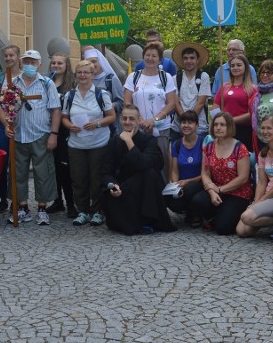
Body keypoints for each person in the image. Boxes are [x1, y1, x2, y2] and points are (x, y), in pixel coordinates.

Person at [2, 49, 61, 225]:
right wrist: (6, 125)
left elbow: (55, 110)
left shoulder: (47, 83)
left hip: (40, 134)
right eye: (26, 62)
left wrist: (54, 134)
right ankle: (22, 207)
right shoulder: (13, 83)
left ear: (39, 64)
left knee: (43, 172)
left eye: (32, 62)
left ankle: (42, 208)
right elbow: (3, 107)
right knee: (17, 173)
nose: (29, 65)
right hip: (19, 134)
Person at [99, 105, 176, 235]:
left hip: (147, 188)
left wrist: (129, 142)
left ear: (139, 120)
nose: (127, 122)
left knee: (149, 173)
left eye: (131, 119)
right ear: (120, 120)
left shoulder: (149, 140)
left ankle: (149, 221)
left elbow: (143, 164)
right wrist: (113, 185)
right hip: (124, 187)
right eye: (124, 118)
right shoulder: (114, 142)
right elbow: (106, 172)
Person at [62, 59, 116, 226]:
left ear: (93, 75)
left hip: (98, 143)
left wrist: (97, 123)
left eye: (86, 72)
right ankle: (83, 211)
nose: (83, 75)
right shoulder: (70, 95)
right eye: (80, 72)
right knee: (78, 179)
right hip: (76, 144)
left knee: (96, 178)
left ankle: (98, 211)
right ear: (76, 75)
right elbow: (64, 117)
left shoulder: (101, 94)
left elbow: (112, 116)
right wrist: (70, 125)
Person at [191, 112, 252, 235]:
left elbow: (243, 178)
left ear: (229, 127)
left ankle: (230, 215)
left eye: (222, 125)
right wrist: (212, 192)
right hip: (216, 188)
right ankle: (215, 216)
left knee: (223, 229)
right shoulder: (208, 147)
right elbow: (205, 173)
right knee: (198, 200)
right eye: (216, 125)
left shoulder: (240, 148)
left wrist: (220, 190)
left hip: (237, 193)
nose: (218, 128)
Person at [123, 43, 178, 175]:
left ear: (160, 59)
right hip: (137, 128)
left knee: (161, 163)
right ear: (143, 57)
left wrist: (154, 120)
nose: (150, 58)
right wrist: (140, 120)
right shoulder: (133, 77)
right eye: (147, 55)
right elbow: (126, 101)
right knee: (137, 163)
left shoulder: (166, 77)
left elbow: (171, 103)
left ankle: (162, 193)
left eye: (154, 56)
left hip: (161, 129)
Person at [0, 43, 22, 213]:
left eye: (12, 55)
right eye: (6, 56)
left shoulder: (24, 77)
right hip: (3, 125)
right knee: (2, 163)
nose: (9, 58)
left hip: (20, 125)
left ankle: (17, 199)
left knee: (17, 163)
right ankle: (2, 198)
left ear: (18, 57)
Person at [48, 52, 77, 217]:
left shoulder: (72, 84)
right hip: (48, 128)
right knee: (53, 168)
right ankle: (57, 200)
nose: (56, 66)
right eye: (54, 63)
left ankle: (71, 203)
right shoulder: (46, 82)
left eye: (60, 63)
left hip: (66, 130)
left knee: (65, 168)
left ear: (66, 66)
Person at [163, 110, 205, 224]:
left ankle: (196, 212)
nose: (186, 125)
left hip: (200, 183)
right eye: (183, 122)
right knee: (170, 201)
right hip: (183, 185)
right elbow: (174, 171)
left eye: (190, 122)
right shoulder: (176, 145)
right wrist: (176, 186)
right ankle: (188, 210)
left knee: (190, 191)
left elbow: (205, 173)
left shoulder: (203, 143)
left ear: (197, 125)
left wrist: (186, 182)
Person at [213, 54, 256, 152]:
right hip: (225, 129)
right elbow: (215, 108)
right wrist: (220, 122)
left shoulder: (252, 89)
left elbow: (253, 113)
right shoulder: (224, 87)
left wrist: (231, 120)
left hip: (244, 130)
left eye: (239, 65)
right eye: (232, 66)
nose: (235, 68)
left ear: (245, 67)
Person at [171, 42, 212, 140]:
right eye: (185, 58)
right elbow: (175, 102)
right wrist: (185, 123)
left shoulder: (203, 77)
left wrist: (189, 123)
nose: (188, 61)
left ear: (197, 60)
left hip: (199, 127)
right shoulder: (175, 78)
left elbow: (200, 103)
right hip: (178, 127)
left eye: (192, 58)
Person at [83, 47, 124, 133]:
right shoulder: (83, 80)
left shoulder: (110, 79)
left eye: (94, 61)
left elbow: (122, 103)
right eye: (88, 62)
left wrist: (109, 106)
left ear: (100, 62)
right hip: (88, 128)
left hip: (110, 128)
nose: (92, 65)